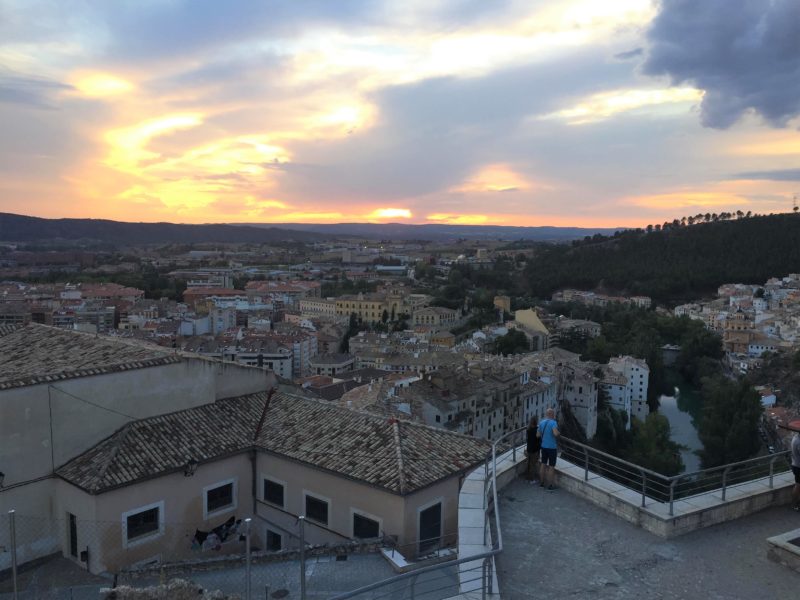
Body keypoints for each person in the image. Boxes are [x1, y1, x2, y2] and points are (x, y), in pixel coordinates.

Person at [537, 407, 560, 491]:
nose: (554, 415)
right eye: (553, 414)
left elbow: (538, 435)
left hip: (543, 447)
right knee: (551, 466)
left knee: (543, 464)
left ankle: (541, 483)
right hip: (552, 448)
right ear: (551, 414)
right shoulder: (554, 423)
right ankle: (550, 485)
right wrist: (558, 432)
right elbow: (555, 433)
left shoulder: (541, 422)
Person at [525, 416, 540, 483]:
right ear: (536, 422)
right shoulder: (537, 429)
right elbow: (538, 438)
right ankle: (531, 479)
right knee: (533, 465)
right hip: (535, 449)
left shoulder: (528, 429)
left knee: (528, 463)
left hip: (529, 448)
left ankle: (527, 478)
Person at [792, 430, 800, 512]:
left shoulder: (795, 437)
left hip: (795, 465)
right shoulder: (799, 442)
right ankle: (795, 504)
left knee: (798, 485)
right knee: (798, 485)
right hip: (798, 467)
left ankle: (795, 504)